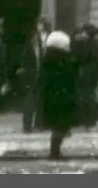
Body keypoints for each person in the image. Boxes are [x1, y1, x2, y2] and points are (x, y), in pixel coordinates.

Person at [40, 31, 78, 159]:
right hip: (61, 97)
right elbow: (68, 77)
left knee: (59, 126)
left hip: (54, 96)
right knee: (60, 125)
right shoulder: (61, 59)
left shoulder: (49, 58)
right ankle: (54, 152)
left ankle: (55, 151)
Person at [19, 19, 50, 132]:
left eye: (41, 25)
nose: (39, 27)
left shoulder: (50, 39)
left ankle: (40, 124)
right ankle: (27, 125)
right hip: (32, 74)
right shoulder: (32, 39)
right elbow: (25, 55)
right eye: (38, 25)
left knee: (41, 101)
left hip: (44, 73)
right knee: (30, 100)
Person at [73, 25, 98, 128]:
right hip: (91, 74)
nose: (82, 34)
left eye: (83, 32)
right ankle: (89, 120)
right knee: (90, 97)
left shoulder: (86, 44)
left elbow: (82, 58)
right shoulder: (94, 44)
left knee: (85, 97)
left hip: (86, 74)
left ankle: (86, 120)